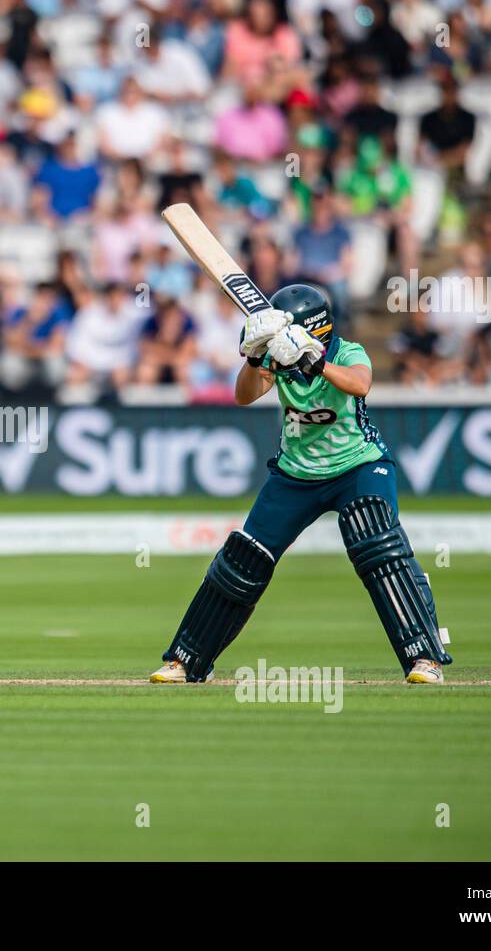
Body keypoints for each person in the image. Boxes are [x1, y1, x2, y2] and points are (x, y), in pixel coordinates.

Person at [150, 285, 452, 685]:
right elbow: (244, 395)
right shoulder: (277, 358)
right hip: (296, 474)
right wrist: (256, 356)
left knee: (379, 547)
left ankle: (424, 658)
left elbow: (360, 384)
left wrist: (316, 362)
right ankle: (186, 661)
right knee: (242, 560)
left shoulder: (347, 352)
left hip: (358, 467)